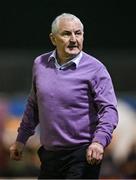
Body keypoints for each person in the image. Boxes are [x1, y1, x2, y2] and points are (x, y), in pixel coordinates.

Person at [9, 13, 118, 179]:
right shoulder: (40, 64)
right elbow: (34, 105)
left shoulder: (96, 69)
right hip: (49, 155)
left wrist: (98, 141)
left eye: (78, 33)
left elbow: (109, 110)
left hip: (82, 155)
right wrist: (21, 139)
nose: (73, 39)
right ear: (53, 39)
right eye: (67, 34)